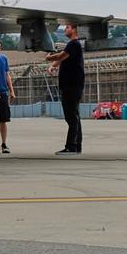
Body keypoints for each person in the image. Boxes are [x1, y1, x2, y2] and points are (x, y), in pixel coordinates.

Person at [45, 23, 84, 155]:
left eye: (67, 27)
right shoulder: (72, 45)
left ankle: (71, 146)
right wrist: (53, 65)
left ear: (74, 29)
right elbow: (63, 58)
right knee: (74, 116)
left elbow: (61, 56)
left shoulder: (74, 44)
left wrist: (49, 58)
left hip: (71, 86)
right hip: (73, 86)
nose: (65, 29)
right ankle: (76, 146)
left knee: (71, 117)